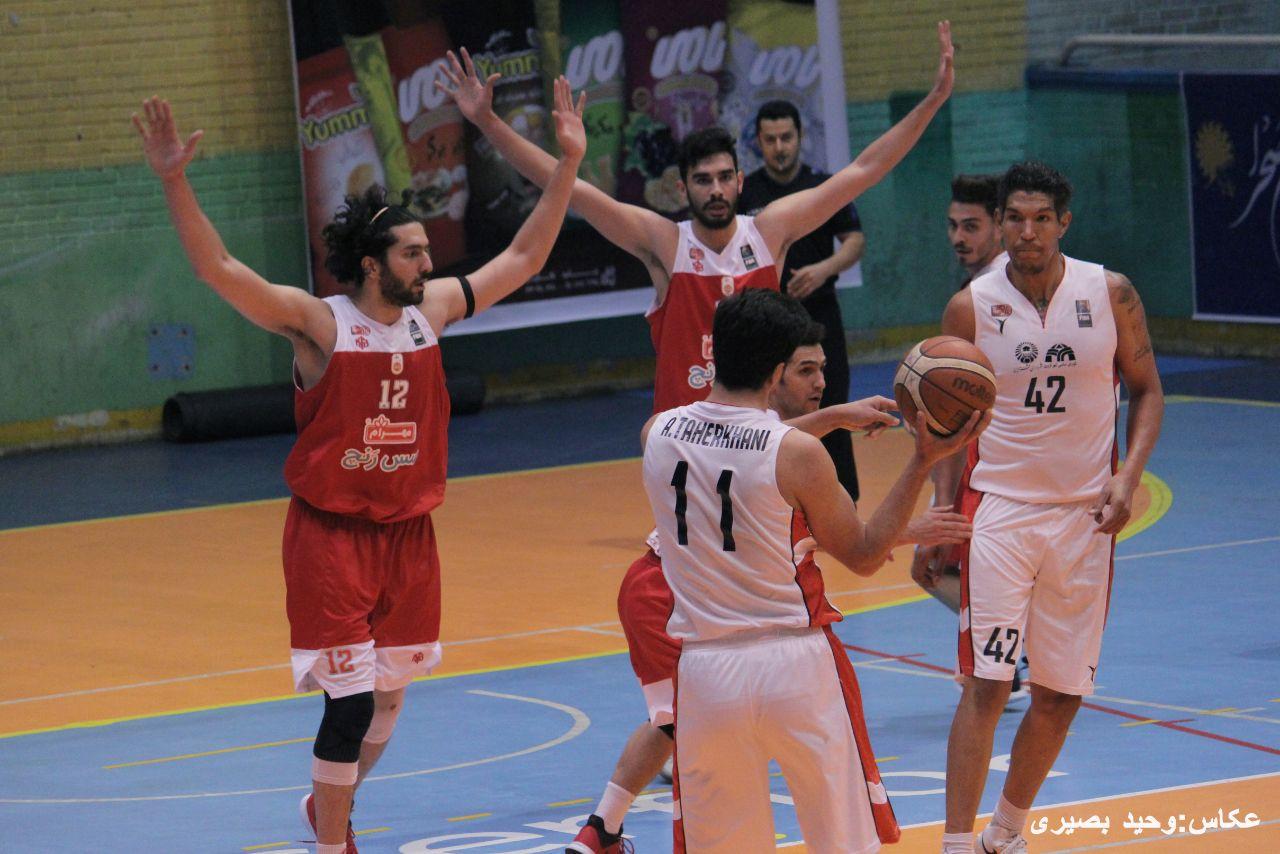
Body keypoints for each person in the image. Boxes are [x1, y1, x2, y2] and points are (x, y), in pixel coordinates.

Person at [438, 21, 957, 854]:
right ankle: (642, 802)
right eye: (702, 179)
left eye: (725, 176)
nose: (715, 189)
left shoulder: (769, 229)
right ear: (682, 188)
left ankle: (611, 819)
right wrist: (490, 122)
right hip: (709, 458)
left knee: (730, 663)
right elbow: (569, 190)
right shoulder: (663, 243)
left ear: (740, 180)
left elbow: (864, 169)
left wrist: (931, 101)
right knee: (794, 606)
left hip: (752, 465)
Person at [133, 86, 586, 854]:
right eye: (413, 252)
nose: (428, 262)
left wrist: (568, 162)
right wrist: (174, 178)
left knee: (386, 706)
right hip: (332, 538)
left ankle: (329, 812)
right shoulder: (320, 326)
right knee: (345, 708)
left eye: (426, 251)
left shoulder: (431, 313)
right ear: (373, 264)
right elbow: (219, 268)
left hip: (410, 536)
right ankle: (334, 843)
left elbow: (524, 258)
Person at [640, 289, 987, 853]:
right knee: (841, 842)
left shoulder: (657, 433)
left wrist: (832, 417)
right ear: (779, 371)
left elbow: (732, 437)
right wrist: (923, 458)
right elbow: (865, 554)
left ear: (715, 352)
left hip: (705, 673)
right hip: (794, 666)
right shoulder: (797, 455)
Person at [935, 161, 1163, 854]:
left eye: (1041, 219)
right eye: (1015, 218)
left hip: (1086, 517)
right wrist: (943, 510)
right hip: (1000, 512)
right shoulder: (971, 306)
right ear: (1001, 224)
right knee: (987, 684)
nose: (1027, 232)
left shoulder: (1111, 292)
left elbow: (1147, 390)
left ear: (1064, 223)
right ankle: (953, 844)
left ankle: (1005, 833)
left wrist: (1127, 477)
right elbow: (945, 420)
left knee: (1061, 693)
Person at [740, 99, 866, 503]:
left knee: (830, 403)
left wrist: (823, 269)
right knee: (770, 411)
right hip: (770, 326)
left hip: (820, 316)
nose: (779, 147)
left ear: (800, 137)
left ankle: (843, 502)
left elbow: (854, 240)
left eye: (786, 138)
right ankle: (777, 500)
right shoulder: (746, 193)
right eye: (771, 139)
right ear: (759, 142)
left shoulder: (821, 187)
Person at [912, 173, 1007, 613]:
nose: (958, 238)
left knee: (940, 572)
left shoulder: (983, 299)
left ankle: (1011, 652)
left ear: (999, 226)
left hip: (992, 469)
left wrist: (944, 507)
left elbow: (953, 411)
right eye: (953, 226)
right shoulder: (988, 289)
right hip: (992, 465)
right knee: (948, 577)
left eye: (971, 226)